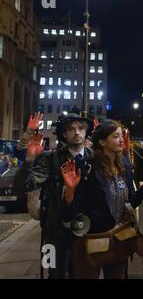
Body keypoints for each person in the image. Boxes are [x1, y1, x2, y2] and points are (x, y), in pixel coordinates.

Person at [60, 120, 143, 279]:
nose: (121, 140)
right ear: (102, 141)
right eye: (116, 136)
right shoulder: (87, 168)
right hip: (91, 243)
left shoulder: (124, 165)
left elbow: (130, 202)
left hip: (119, 241)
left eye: (121, 136)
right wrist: (70, 190)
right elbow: (70, 214)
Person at [14, 112, 94, 279]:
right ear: (64, 134)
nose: (77, 132)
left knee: (81, 273)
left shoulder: (95, 158)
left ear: (86, 132)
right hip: (54, 231)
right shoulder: (52, 159)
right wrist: (29, 159)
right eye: (71, 129)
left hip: (87, 229)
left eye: (81, 128)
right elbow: (24, 185)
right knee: (53, 273)